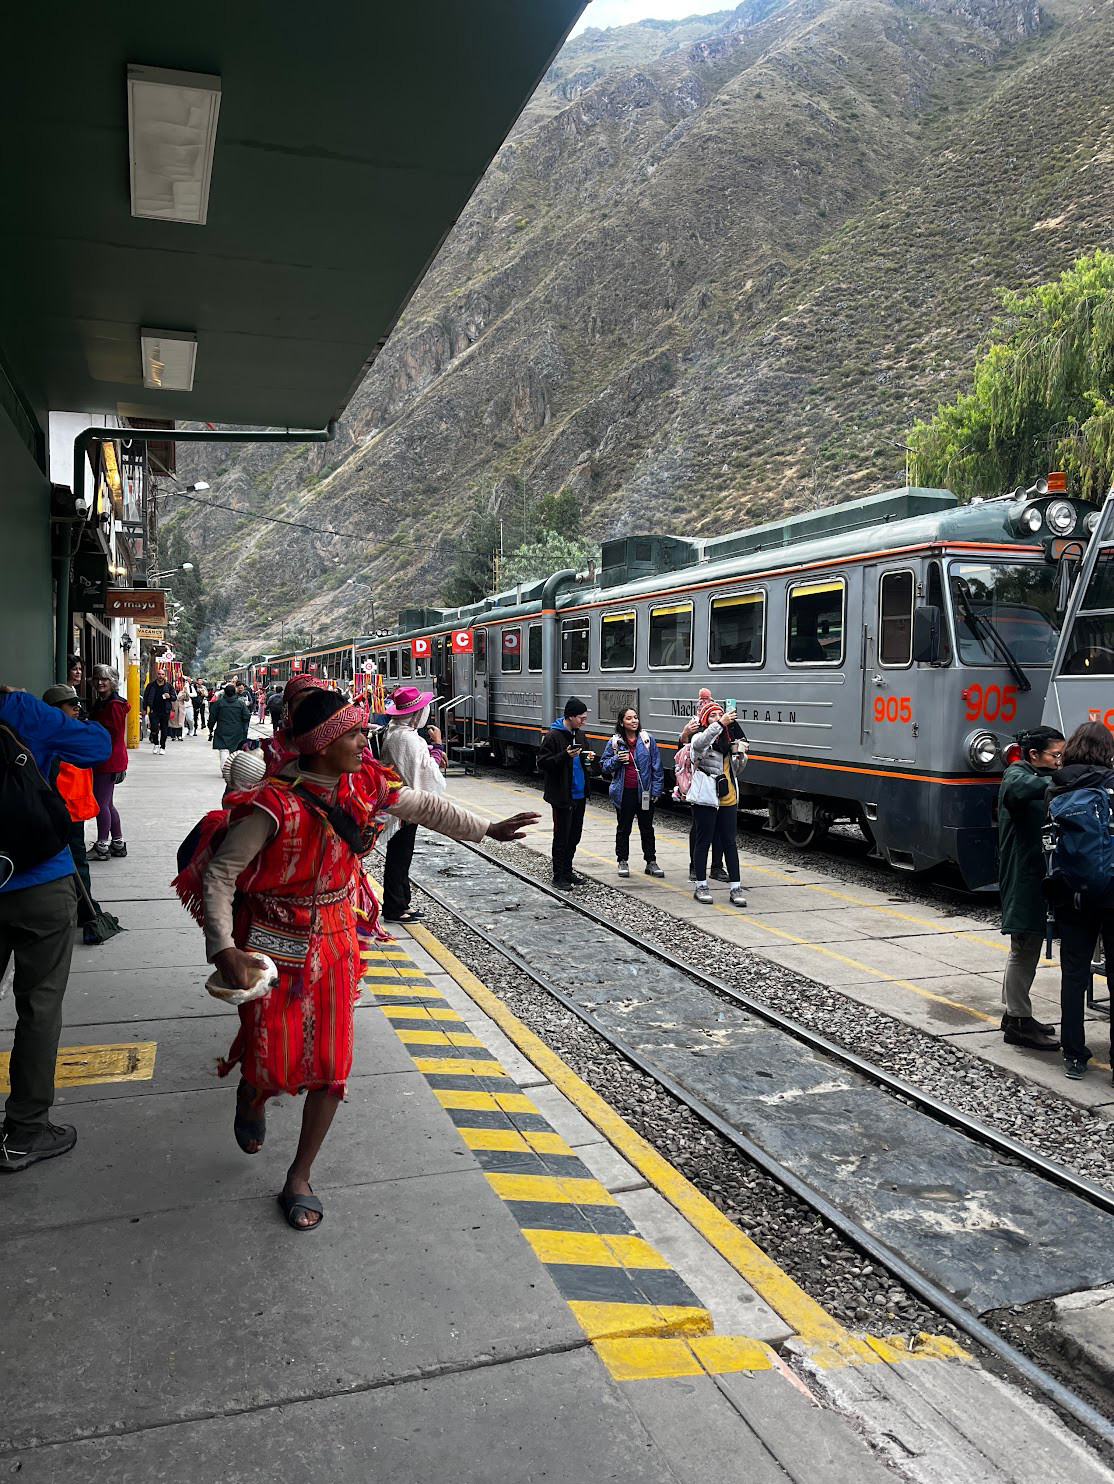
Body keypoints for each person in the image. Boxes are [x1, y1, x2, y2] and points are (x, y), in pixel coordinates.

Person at [184, 687, 538, 1229]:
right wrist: (223, 947)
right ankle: (252, 1094)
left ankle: (299, 1176)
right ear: (322, 745)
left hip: (336, 943)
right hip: (270, 948)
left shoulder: (367, 785)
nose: (362, 740)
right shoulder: (270, 806)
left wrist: (487, 828)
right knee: (270, 1061)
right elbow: (221, 875)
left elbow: (424, 805)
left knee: (331, 1066)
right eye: (352, 733)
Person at [0, 684, 111, 1173]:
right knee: (39, 1006)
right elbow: (99, 745)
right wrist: (46, 713)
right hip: (36, 880)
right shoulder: (18, 709)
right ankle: (24, 1134)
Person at [1047, 720, 1114, 1081]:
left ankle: (1074, 1055)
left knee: (1074, 975)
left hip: (1070, 893)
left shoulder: (1056, 787)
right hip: (1113, 893)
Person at [997, 726, 1064, 1052]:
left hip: (1032, 875)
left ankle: (1015, 1015)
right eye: (1056, 755)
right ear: (1034, 755)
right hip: (1024, 876)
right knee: (1023, 948)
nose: (1059, 762)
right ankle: (1019, 1022)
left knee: (1026, 948)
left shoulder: (1033, 772)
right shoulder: (1017, 775)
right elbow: (1023, 789)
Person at [379, 685, 446, 922]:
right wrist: (437, 746)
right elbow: (426, 772)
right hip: (404, 806)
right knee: (400, 856)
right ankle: (395, 907)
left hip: (398, 803)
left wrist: (428, 748)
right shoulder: (407, 738)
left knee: (400, 855)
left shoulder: (395, 731)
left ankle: (401, 903)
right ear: (416, 714)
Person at [41, 685, 101, 942]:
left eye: (77, 703)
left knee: (76, 860)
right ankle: (83, 910)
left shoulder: (73, 732)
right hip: (61, 810)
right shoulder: (52, 737)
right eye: (70, 704)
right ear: (55, 710)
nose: (77, 707)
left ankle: (84, 908)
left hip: (74, 809)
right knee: (71, 861)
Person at [690, 697, 747, 908]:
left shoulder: (726, 741)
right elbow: (699, 743)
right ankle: (701, 885)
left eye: (719, 714)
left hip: (728, 796)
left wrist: (740, 756)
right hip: (706, 798)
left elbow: (736, 770)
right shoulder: (699, 739)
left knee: (730, 842)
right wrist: (720, 723)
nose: (718, 717)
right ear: (706, 720)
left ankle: (735, 887)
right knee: (703, 840)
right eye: (712, 715)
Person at [538, 697, 597, 889]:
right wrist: (565, 755)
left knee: (575, 835)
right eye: (581, 717)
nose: (583, 721)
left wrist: (590, 759)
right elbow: (542, 763)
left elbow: (586, 760)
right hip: (562, 795)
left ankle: (568, 870)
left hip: (579, 794)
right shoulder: (553, 736)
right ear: (570, 716)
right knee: (561, 835)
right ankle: (558, 875)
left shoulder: (580, 735)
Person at [601, 706, 665, 878]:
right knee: (624, 828)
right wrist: (616, 760)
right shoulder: (614, 743)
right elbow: (604, 766)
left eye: (635, 717)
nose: (634, 721)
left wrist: (656, 790)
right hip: (624, 793)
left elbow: (656, 767)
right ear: (622, 722)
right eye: (629, 718)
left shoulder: (647, 740)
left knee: (647, 828)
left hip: (644, 792)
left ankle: (651, 862)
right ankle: (622, 860)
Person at [87, 664, 130, 860]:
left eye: (104, 679)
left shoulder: (113, 705)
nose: (100, 682)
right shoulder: (105, 702)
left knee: (101, 804)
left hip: (107, 759)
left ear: (112, 681)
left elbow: (110, 734)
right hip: (109, 758)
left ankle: (102, 846)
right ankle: (118, 843)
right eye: (97, 678)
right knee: (108, 804)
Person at [210, 683, 250, 773]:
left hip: (222, 729)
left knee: (223, 750)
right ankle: (234, 770)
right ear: (234, 692)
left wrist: (210, 728)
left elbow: (212, 717)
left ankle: (225, 769)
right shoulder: (240, 703)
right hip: (237, 730)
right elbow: (247, 716)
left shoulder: (218, 703)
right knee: (235, 750)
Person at [142, 670, 174, 752]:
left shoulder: (168, 686)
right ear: (156, 675)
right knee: (154, 729)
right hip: (154, 710)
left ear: (164, 676)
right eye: (159, 674)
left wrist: (169, 696)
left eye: (162, 674)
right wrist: (144, 709)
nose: (160, 676)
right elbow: (145, 698)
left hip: (165, 711)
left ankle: (162, 747)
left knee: (164, 729)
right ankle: (156, 744)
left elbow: (174, 697)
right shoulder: (151, 686)